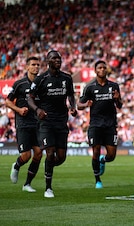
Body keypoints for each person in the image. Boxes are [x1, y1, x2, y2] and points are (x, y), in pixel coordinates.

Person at [27, 50, 78, 198]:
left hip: (61, 121)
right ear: (48, 61)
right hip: (46, 122)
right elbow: (30, 98)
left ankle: (47, 166)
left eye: (59, 58)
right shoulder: (40, 79)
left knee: (61, 158)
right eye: (54, 58)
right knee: (50, 153)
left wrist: (72, 107)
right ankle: (48, 188)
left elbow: (71, 95)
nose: (58, 61)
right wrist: (37, 110)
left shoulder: (67, 78)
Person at [77, 60, 123, 189]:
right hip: (95, 125)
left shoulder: (114, 86)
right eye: (99, 68)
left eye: (104, 67)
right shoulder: (90, 87)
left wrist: (117, 99)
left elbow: (119, 105)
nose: (102, 70)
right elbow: (79, 105)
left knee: (112, 155)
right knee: (95, 151)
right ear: (95, 70)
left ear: (106, 70)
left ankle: (104, 160)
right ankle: (97, 180)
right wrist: (86, 104)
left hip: (110, 124)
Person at [8, 56, 43, 192]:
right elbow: (8, 101)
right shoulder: (19, 84)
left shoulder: (41, 84)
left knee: (39, 153)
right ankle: (16, 166)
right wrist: (19, 109)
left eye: (38, 65)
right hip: (23, 123)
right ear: (27, 67)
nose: (36, 67)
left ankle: (27, 184)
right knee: (26, 156)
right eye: (33, 64)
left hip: (37, 124)